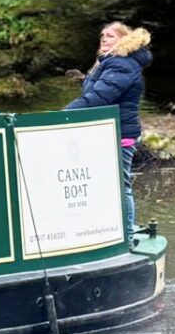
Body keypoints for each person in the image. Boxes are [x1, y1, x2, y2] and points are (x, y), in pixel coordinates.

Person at [65, 21, 153, 238]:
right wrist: (84, 79)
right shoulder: (110, 62)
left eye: (111, 36)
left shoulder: (121, 64)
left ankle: (128, 233)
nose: (104, 38)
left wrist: (62, 114)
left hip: (120, 133)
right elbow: (100, 88)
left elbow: (100, 97)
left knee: (121, 186)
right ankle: (108, 229)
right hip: (106, 133)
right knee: (104, 183)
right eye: (102, 35)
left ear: (124, 40)